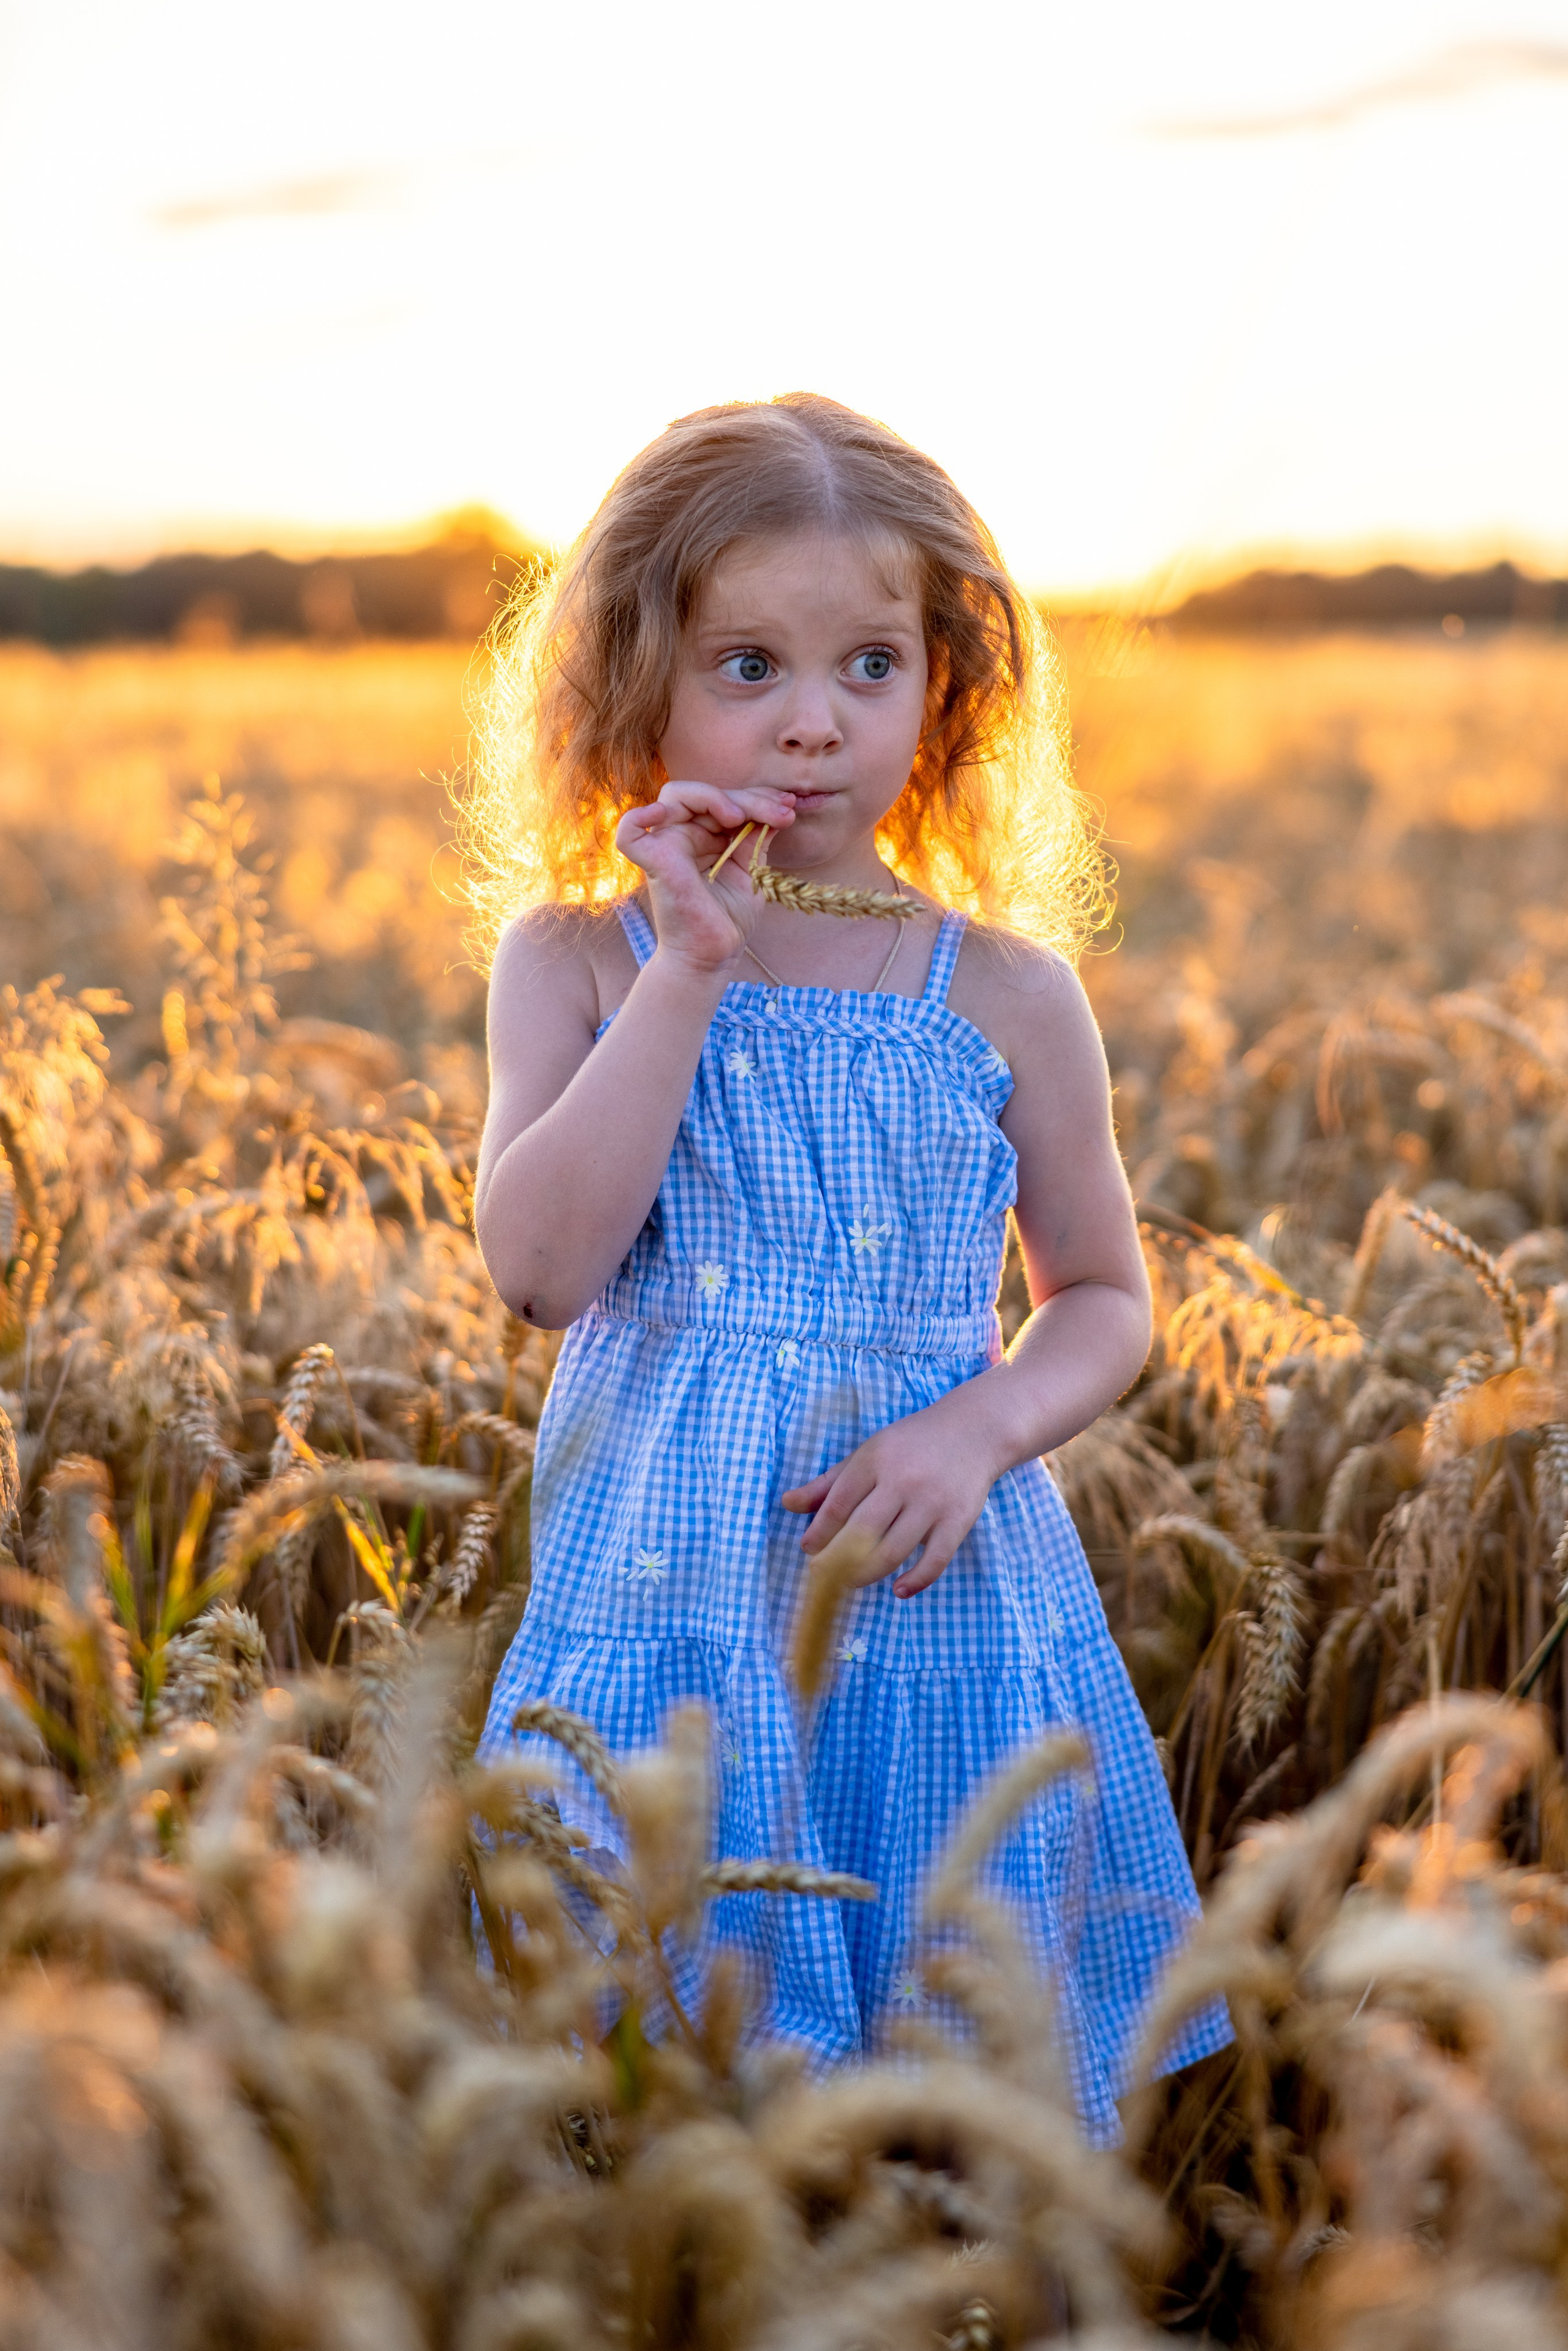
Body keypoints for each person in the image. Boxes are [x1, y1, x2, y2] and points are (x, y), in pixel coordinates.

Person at [466, 393, 1229, 2142]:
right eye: (747, 666)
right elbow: (541, 1267)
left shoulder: (1006, 992)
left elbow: (1105, 1298)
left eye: (870, 666)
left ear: (943, 691)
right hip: (671, 1621)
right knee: (664, 2099)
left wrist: (978, 1429)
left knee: (985, 2093)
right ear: (630, 681)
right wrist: (689, 972)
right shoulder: (581, 963)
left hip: (928, 1602)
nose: (814, 724)